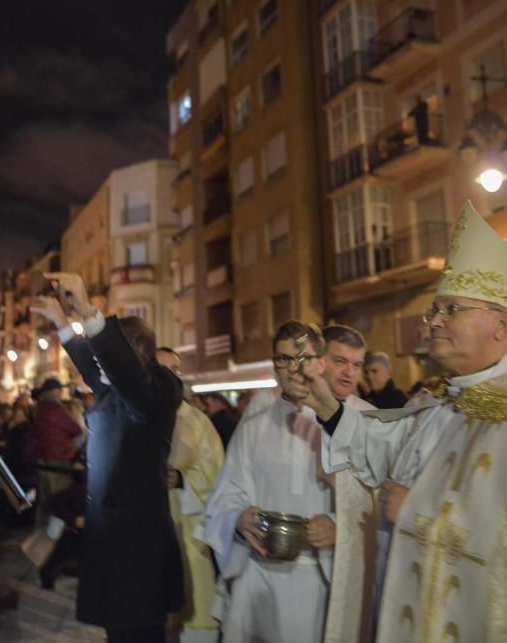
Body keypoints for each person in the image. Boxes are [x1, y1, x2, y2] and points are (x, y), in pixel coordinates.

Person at [305, 202, 507, 641]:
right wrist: (325, 404)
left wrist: (417, 513)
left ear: (501, 322)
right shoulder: (440, 401)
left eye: (451, 309)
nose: (433, 320)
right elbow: (383, 452)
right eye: (434, 310)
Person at [31, 272, 183, 643]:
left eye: (109, 357)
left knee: (138, 635)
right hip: (113, 544)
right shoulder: (117, 388)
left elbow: (122, 372)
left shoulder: (159, 392)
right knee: (119, 633)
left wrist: (85, 306)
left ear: (133, 358)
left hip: (137, 553)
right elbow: (92, 363)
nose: (97, 369)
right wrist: (62, 321)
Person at [198, 321, 336, 643]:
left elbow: (370, 502)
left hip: (318, 579)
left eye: (302, 358)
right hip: (257, 577)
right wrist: (238, 518)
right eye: (283, 359)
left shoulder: (345, 427)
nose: (292, 368)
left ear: (320, 363)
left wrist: (337, 524)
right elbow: (224, 496)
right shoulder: (253, 429)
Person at [156, 347, 224, 643]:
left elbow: (219, 475)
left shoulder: (198, 422)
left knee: (193, 606)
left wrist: (183, 479)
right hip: (151, 532)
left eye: (175, 368)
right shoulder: (136, 416)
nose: (171, 374)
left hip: (190, 529)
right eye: (163, 367)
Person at [30, 377, 83, 527]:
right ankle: (55, 540)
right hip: (58, 458)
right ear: (54, 391)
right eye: (60, 390)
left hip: (43, 458)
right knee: (60, 499)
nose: (62, 393)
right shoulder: (56, 408)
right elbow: (76, 429)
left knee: (45, 500)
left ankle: (40, 534)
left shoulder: (41, 408)